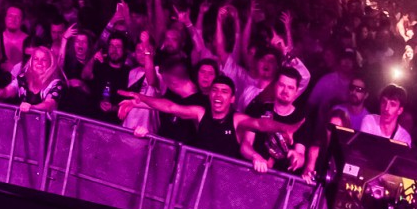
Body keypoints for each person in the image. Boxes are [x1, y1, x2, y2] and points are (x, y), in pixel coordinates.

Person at [118, 75, 303, 162]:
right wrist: (140, 98)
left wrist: (284, 128)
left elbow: (260, 124)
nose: (218, 95)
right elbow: (171, 107)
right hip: (196, 175)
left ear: (232, 99)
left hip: (223, 181)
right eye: (215, 90)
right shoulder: (200, 113)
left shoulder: (237, 120)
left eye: (224, 92)